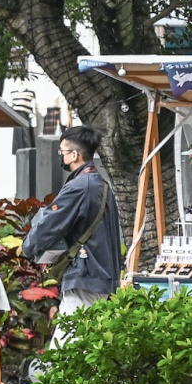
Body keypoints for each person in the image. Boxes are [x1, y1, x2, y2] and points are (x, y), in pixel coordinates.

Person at [23, 126, 124, 344]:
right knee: (88, 351)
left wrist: (28, 247)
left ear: (75, 155)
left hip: (85, 279)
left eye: (62, 152)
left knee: (63, 354)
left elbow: (48, 225)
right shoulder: (101, 185)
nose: (61, 156)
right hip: (102, 279)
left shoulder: (80, 186)